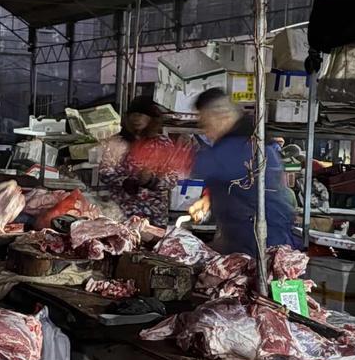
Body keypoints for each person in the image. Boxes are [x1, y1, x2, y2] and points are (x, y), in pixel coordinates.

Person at [188, 88, 302, 258]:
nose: (206, 132)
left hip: (262, 244)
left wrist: (146, 154)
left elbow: (200, 163)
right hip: (247, 240)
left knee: (261, 281)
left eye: (206, 124)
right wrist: (208, 197)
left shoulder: (243, 146)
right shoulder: (245, 140)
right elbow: (234, 182)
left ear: (221, 116)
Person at [99, 94, 184, 224]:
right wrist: (125, 181)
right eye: (133, 114)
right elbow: (104, 172)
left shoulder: (163, 144)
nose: (136, 119)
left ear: (151, 119)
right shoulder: (116, 142)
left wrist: (151, 181)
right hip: (122, 214)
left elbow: (173, 177)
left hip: (154, 216)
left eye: (142, 115)